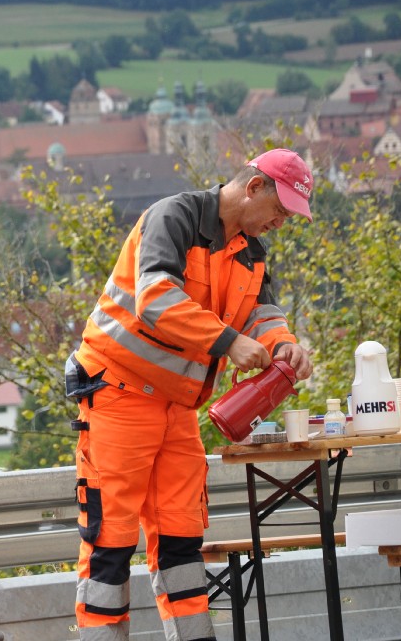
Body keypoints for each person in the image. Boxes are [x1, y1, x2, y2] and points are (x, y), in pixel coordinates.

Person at [65, 148, 315, 640]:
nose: (281, 223)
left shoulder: (251, 252)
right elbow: (155, 298)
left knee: (182, 539)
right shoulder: (173, 217)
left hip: (177, 406)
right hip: (117, 393)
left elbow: (262, 317)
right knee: (110, 540)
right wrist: (229, 343)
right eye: (280, 211)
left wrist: (284, 346)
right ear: (254, 187)